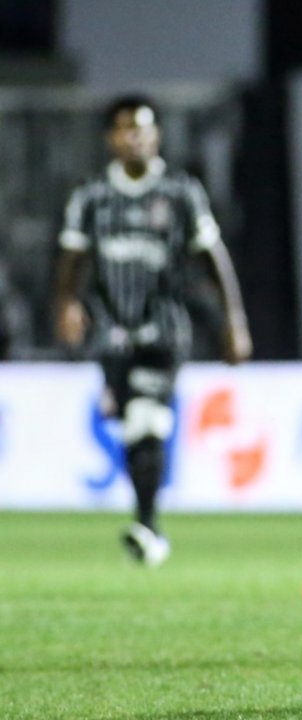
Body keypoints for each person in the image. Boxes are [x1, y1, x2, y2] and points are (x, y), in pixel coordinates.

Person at [54, 94, 253, 567]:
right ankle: (148, 520)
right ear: (111, 138)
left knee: (148, 420)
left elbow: (212, 256)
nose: (134, 137)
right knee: (132, 428)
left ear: (156, 135)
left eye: (142, 128)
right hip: (110, 332)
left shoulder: (181, 191)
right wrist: (66, 303)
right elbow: (72, 257)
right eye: (125, 129)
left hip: (164, 329)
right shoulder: (92, 195)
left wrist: (234, 321)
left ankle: (148, 528)